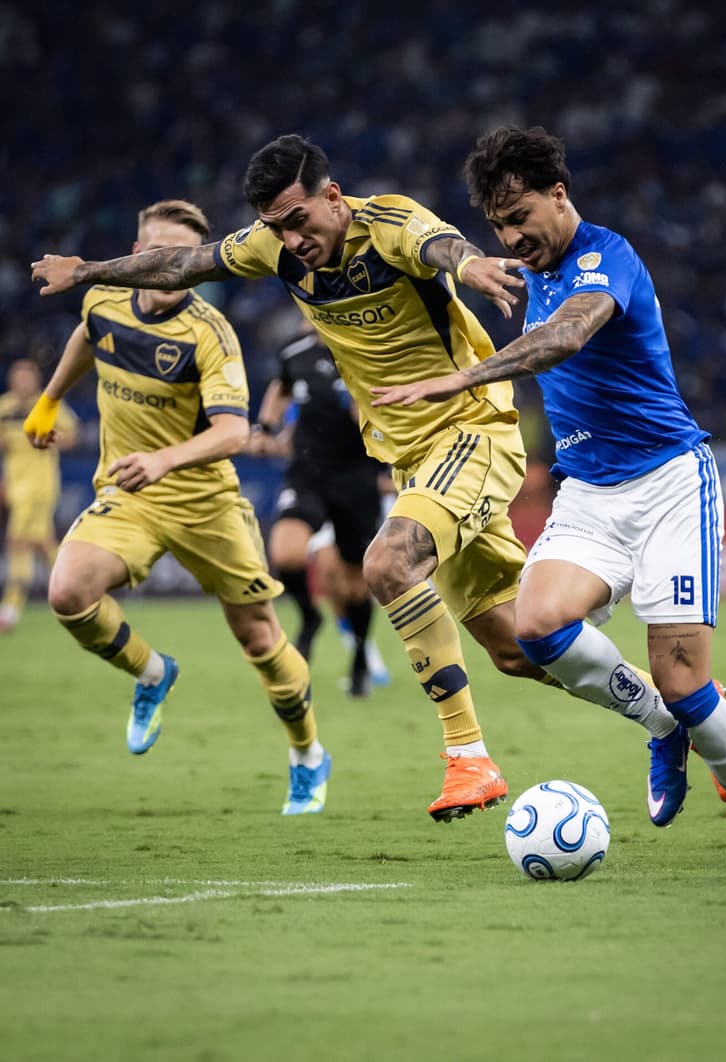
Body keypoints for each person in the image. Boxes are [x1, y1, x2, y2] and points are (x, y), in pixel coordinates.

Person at [32, 135, 683, 829]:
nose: (292, 238)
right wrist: (91, 270)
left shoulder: (390, 224)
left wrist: (471, 269)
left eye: (299, 218)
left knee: (389, 560)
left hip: (470, 428)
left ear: (333, 196)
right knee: (517, 650)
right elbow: (185, 262)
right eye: (277, 225)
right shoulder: (274, 247)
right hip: (409, 455)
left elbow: (442, 248)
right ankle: (679, 713)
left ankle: (468, 757)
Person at [372, 125, 726, 869]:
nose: (510, 235)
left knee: (686, 677)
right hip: (590, 493)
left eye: (519, 216)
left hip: (667, 482)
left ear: (557, 195)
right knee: (535, 628)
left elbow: (565, 338)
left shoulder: (608, 258)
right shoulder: (530, 276)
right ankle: (663, 728)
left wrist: (464, 379)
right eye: (497, 224)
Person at [24, 199, 330, 815]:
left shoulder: (209, 335)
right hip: (129, 497)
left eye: (180, 259)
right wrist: (51, 400)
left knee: (259, 638)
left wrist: (163, 460)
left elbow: (233, 432)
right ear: (138, 256)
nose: (169, 267)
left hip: (206, 503)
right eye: (157, 254)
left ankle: (307, 753)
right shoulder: (103, 299)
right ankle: (152, 672)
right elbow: (89, 337)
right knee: (67, 593)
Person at [248, 322, 388, 696]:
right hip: (306, 473)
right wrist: (265, 425)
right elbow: (281, 385)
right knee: (285, 553)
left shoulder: (367, 351)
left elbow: (380, 417)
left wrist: (365, 413)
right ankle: (310, 618)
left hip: (356, 480)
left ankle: (360, 651)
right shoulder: (295, 353)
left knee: (355, 587)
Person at [0, 357, 79, 632]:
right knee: (43, 543)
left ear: (36, 379)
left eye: (27, 376)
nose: (22, 381)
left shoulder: (49, 403)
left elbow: (73, 436)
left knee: (16, 542)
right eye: (17, 376)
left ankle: (10, 608)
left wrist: (55, 438)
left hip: (41, 486)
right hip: (14, 486)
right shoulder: (4, 407)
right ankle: (81, 591)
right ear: (11, 379)